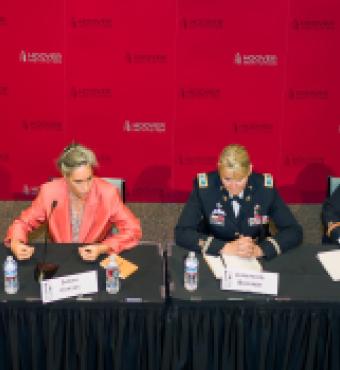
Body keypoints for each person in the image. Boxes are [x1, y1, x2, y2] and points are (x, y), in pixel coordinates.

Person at [5, 143, 142, 261]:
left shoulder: (108, 193)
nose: (86, 188)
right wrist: (16, 243)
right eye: (78, 182)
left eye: (89, 179)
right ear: (65, 177)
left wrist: (102, 248)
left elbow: (133, 229)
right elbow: (23, 223)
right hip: (60, 255)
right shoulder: (49, 192)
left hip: (95, 253)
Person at [175, 144, 303, 259]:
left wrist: (261, 249)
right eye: (227, 179)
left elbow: (294, 231)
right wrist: (224, 247)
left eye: (240, 179)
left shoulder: (265, 189)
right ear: (219, 169)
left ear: (250, 170)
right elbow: (182, 232)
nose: (234, 186)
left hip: (253, 255)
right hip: (215, 254)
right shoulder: (205, 188)